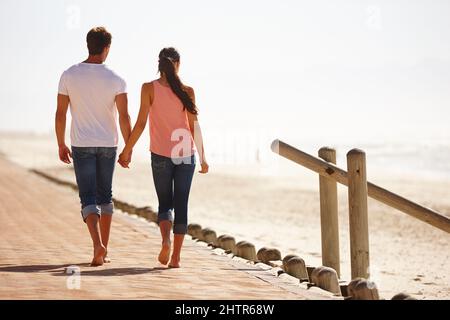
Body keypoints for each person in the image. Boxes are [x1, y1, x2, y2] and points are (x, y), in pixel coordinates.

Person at [118, 47, 209, 268]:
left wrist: (126, 150)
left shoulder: (148, 88)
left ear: (159, 64)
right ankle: (176, 258)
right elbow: (194, 126)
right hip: (186, 154)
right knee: (182, 204)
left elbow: (140, 124)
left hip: (160, 153)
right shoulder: (188, 90)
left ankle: (165, 240)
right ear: (178, 64)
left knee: (165, 203)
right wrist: (204, 158)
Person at [55, 27, 132, 266]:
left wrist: (60, 143)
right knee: (105, 195)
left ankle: (97, 246)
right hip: (108, 144)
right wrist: (128, 148)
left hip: (81, 144)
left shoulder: (69, 74)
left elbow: (60, 115)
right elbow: (124, 117)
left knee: (88, 196)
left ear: (88, 45)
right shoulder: (117, 79)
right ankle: (104, 250)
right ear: (106, 48)